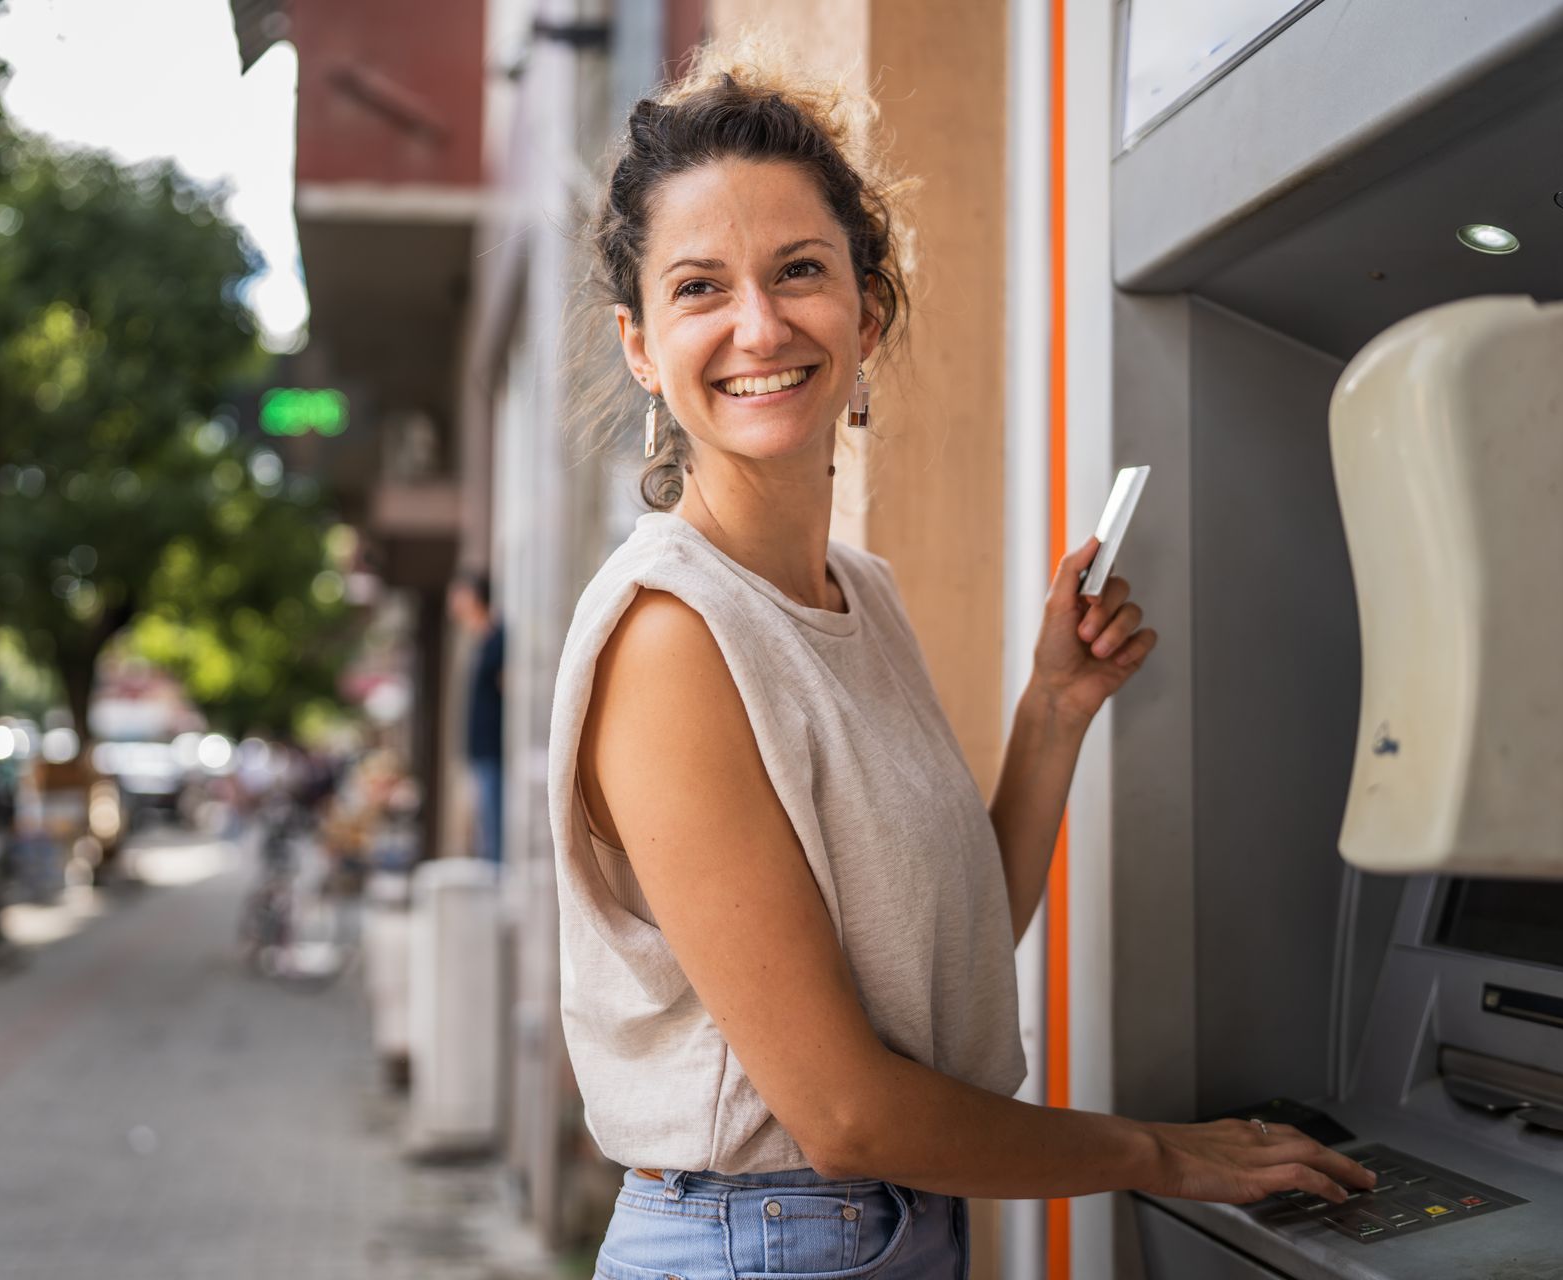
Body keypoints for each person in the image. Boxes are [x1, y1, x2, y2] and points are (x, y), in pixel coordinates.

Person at [549, 47, 1376, 1280]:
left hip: (878, 1227)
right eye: (699, 288)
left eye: (800, 271)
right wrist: (1163, 1155)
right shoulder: (671, 636)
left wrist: (1052, 712)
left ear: (867, 309)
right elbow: (843, 1110)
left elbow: (935, 959)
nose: (760, 326)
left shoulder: (858, 593)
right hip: (757, 1238)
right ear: (640, 343)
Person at [449, 570, 506, 865]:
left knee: (495, 819)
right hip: (481, 746)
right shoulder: (480, 640)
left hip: (495, 744)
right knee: (485, 820)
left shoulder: (498, 639)